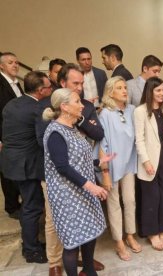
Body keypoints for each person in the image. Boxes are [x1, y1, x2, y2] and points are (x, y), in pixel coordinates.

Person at [36, 63, 105, 275]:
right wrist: (91, 186)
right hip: (68, 194)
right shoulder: (56, 131)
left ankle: (89, 272)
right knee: (72, 242)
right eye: (77, 102)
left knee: (89, 232)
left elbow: (77, 157)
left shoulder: (72, 127)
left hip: (82, 189)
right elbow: (63, 166)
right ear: (64, 106)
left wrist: (97, 163)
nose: (82, 104)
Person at [2, 71, 52, 263]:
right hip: (26, 165)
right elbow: (42, 140)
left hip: (11, 163)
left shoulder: (12, 104)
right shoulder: (38, 109)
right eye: (48, 87)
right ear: (40, 90)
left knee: (28, 205)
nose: (50, 89)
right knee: (32, 207)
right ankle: (30, 250)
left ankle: (31, 243)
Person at [93, 76, 140, 261]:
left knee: (130, 200)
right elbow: (102, 145)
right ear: (110, 92)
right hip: (111, 165)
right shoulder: (105, 113)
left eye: (125, 88)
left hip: (128, 162)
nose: (124, 91)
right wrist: (105, 173)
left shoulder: (132, 110)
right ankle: (118, 241)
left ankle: (130, 234)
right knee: (114, 204)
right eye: (119, 88)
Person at [134, 77, 163, 251]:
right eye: (158, 90)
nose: (162, 93)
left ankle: (161, 228)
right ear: (150, 91)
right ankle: (152, 233)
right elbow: (139, 139)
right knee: (152, 198)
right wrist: (146, 161)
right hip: (150, 161)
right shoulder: (140, 111)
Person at [0, 52, 22, 220]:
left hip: (18, 136)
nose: (15, 65)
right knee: (7, 172)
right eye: (10, 63)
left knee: (16, 170)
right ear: (1, 66)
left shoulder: (17, 84)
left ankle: (18, 202)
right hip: (4, 137)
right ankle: (12, 206)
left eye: (16, 62)